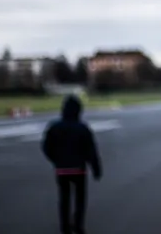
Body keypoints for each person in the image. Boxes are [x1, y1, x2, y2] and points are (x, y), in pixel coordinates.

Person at [42, 95, 103, 234]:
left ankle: (64, 227)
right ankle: (78, 225)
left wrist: (55, 160)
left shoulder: (54, 127)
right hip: (79, 169)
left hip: (62, 169)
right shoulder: (83, 128)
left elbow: (46, 147)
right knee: (80, 199)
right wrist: (96, 168)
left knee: (64, 198)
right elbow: (91, 151)